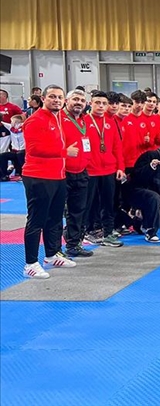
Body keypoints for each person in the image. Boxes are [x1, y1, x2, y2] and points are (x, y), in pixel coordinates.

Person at [21, 85, 77, 279]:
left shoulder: (60, 118)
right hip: (38, 176)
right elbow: (34, 149)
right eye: (52, 96)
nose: (57, 100)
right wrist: (64, 153)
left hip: (58, 176)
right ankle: (30, 263)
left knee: (54, 219)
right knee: (36, 220)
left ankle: (52, 255)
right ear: (43, 98)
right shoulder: (35, 120)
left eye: (60, 97)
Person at [83, 91, 125, 247]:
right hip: (90, 169)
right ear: (91, 103)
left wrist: (120, 167)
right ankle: (90, 231)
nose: (101, 106)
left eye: (103, 103)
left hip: (109, 169)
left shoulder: (111, 121)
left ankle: (108, 232)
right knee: (91, 203)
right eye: (97, 103)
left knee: (108, 203)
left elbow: (117, 146)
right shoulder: (84, 121)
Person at [60, 89, 96, 258]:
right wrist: (64, 152)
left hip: (81, 171)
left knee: (78, 210)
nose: (79, 102)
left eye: (82, 100)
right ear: (67, 101)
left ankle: (73, 245)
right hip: (61, 172)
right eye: (75, 99)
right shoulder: (59, 118)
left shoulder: (85, 120)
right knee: (57, 212)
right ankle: (54, 249)